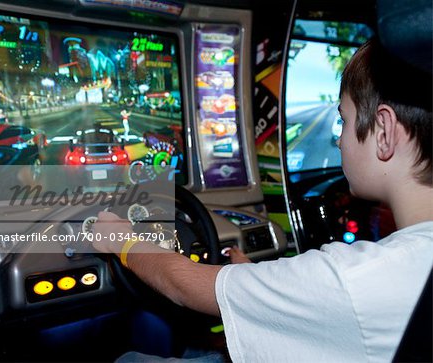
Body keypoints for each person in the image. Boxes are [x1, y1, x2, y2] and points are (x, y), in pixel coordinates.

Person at [93, 38, 432, 362]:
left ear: (385, 132)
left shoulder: (354, 278)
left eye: (343, 120)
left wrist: (122, 241)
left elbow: (183, 287)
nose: (340, 140)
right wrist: (260, 284)